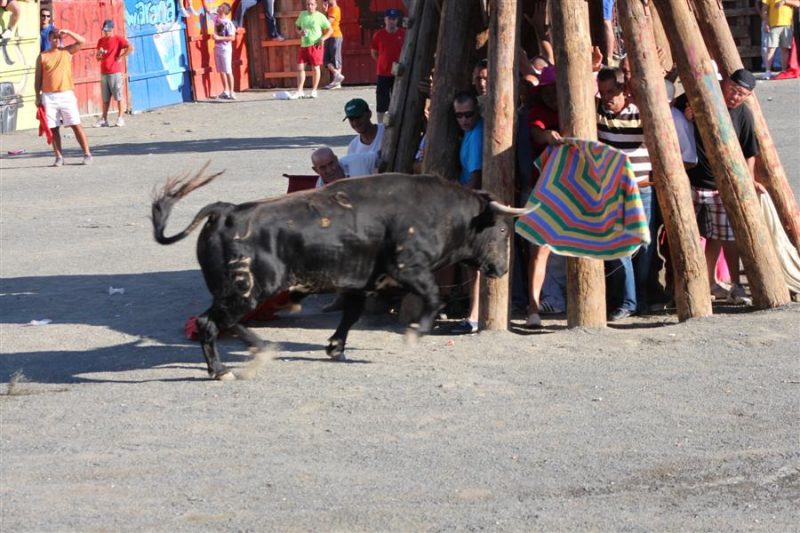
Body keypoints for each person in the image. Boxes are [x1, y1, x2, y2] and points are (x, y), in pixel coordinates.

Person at [674, 68, 761, 304]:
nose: (735, 96)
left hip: (721, 185)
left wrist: (748, 181)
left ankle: (735, 284)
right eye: (733, 90)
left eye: (741, 94)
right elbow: (671, 112)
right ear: (725, 83)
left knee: (724, 236)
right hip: (691, 181)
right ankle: (696, 285)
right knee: (690, 234)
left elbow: (749, 152)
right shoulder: (698, 97)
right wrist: (686, 116)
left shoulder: (743, 114)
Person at [596, 66, 653, 320]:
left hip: (642, 189)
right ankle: (628, 302)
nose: (606, 97)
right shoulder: (598, 112)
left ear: (623, 90)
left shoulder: (640, 112)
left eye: (611, 92)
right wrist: (594, 69)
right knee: (619, 246)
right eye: (602, 92)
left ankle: (641, 298)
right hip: (613, 191)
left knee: (643, 245)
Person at [523, 66, 564, 328]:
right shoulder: (538, 113)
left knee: (563, 251)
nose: (550, 95)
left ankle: (558, 299)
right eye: (547, 91)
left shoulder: (572, 108)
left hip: (569, 190)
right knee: (540, 249)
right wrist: (547, 136)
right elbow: (536, 132)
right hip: (542, 189)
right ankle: (537, 304)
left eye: (554, 90)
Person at [35, 28, 93, 166]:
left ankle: (87, 153)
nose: (56, 40)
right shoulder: (42, 56)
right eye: (54, 37)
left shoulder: (66, 51)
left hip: (66, 94)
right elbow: (38, 78)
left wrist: (68, 32)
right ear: (49, 39)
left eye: (58, 38)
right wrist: (37, 96)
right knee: (53, 128)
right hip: (49, 96)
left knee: (75, 124)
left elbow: (82, 41)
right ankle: (59, 157)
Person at [451, 90, 484, 334]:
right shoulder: (470, 133)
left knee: (475, 263)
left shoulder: (476, 136)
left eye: (468, 114)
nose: (464, 120)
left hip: (473, 205)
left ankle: (474, 316)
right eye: (459, 115)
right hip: (470, 202)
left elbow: (474, 178)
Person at [94, 20, 133, 127]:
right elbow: (97, 58)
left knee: (118, 96)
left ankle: (120, 118)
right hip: (104, 72)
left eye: (108, 30)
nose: (106, 32)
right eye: (104, 30)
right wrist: (99, 54)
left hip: (114, 72)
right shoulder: (101, 41)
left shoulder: (118, 39)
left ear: (112, 29)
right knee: (105, 98)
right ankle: (104, 119)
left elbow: (130, 47)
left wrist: (121, 56)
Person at [290, 0, 332, 99]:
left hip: (315, 45)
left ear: (316, 5)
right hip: (304, 45)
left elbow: (330, 30)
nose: (310, 6)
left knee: (315, 68)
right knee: (300, 68)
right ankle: (299, 91)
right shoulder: (302, 14)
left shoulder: (320, 16)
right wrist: (300, 32)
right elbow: (297, 27)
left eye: (312, 4)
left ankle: (314, 90)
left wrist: (323, 38)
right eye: (308, 4)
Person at [370, 8, 405, 123]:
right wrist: (382, 62)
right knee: (382, 102)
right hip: (383, 73)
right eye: (389, 18)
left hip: (399, 73)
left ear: (397, 20)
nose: (391, 21)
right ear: (385, 20)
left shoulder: (403, 34)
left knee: (399, 100)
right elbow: (374, 52)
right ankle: (381, 125)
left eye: (394, 19)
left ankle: (399, 122)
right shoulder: (379, 35)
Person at [201, 0, 237, 100]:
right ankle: (225, 91)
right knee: (221, 70)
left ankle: (232, 92)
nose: (218, 7)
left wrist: (219, 38)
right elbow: (207, 10)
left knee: (228, 70)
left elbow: (232, 38)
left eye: (220, 6)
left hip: (225, 49)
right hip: (217, 48)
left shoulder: (228, 23)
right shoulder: (216, 18)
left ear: (224, 10)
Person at [311, 146, 378, 187]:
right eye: (323, 167)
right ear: (316, 170)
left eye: (331, 164)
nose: (329, 170)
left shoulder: (357, 161)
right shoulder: (320, 189)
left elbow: (380, 156)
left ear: (336, 159)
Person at [761, 0, 795, 78]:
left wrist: (785, 1)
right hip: (773, 25)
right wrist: (765, 23)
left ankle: (784, 71)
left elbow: (798, 3)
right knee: (770, 48)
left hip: (787, 25)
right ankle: (768, 71)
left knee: (785, 49)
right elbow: (764, 9)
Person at [322, 0, 345, 89]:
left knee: (336, 58)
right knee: (326, 59)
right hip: (328, 36)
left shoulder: (335, 9)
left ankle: (337, 82)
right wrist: (325, 11)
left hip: (335, 36)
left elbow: (328, 22)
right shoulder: (330, 9)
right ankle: (337, 75)